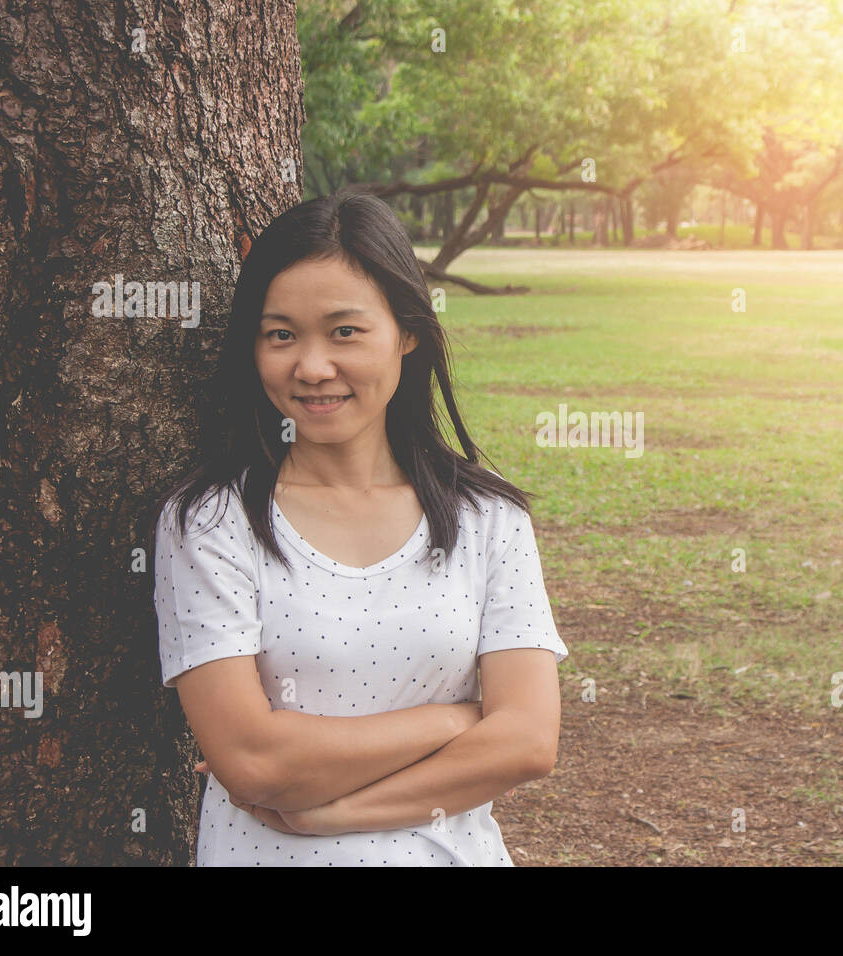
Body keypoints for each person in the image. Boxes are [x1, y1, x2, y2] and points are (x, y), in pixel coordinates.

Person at [148, 188, 568, 866]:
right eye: (280, 334)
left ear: (406, 331)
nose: (312, 368)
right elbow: (254, 761)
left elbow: (526, 742)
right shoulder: (211, 524)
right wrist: (457, 719)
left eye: (345, 331)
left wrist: (332, 813)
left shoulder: (488, 521)